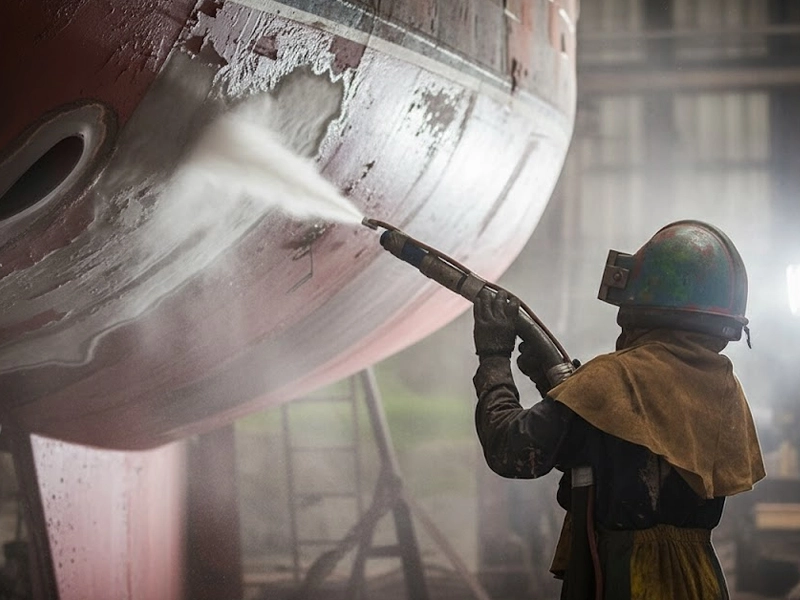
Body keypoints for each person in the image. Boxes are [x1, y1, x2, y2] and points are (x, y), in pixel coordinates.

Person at [471, 220, 765, 600]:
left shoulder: (614, 378)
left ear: (639, 306)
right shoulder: (723, 389)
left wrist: (493, 355)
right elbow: (609, 446)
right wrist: (555, 384)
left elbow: (510, 449)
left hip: (625, 580)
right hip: (699, 582)